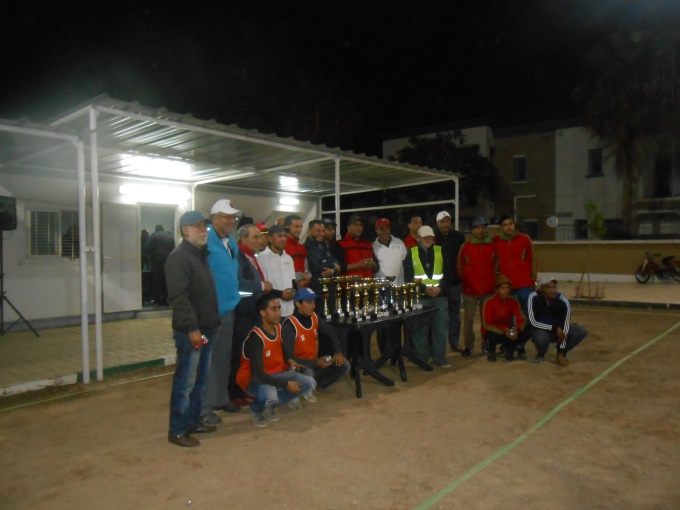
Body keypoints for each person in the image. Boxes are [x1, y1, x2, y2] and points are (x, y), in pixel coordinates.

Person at [165, 211, 220, 447]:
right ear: (184, 230)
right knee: (186, 381)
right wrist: (191, 328)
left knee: (199, 379)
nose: (203, 230)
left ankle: (193, 420)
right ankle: (177, 430)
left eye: (204, 226)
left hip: (206, 329)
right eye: (197, 226)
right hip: (193, 332)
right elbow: (179, 298)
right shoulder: (179, 258)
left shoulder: (200, 255)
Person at [236, 294, 316, 427]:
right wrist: (285, 385)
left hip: (275, 374)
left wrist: (289, 359)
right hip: (253, 380)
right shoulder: (256, 338)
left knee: (309, 383)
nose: (278, 313)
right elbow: (257, 374)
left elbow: (281, 347)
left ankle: (270, 405)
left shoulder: (278, 327)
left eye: (279, 308)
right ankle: (256, 409)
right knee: (271, 395)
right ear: (262, 313)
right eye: (273, 309)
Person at [199, 199, 243, 427]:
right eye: (225, 216)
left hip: (228, 310)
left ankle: (220, 399)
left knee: (222, 359)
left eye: (232, 217)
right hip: (210, 313)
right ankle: (203, 409)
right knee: (205, 363)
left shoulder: (229, 243)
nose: (230, 221)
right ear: (214, 217)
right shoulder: (204, 241)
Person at [281, 288, 350, 407]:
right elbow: (290, 358)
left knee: (344, 365)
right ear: (298, 303)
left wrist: (338, 352)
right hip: (298, 367)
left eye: (313, 302)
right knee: (307, 371)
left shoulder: (314, 317)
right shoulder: (290, 325)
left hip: (314, 364)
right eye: (309, 302)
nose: (313, 306)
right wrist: (316, 363)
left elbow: (331, 332)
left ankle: (315, 385)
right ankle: (300, 388)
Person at [232, 224, 274, 406]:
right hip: (242, 313)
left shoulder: (250, 256)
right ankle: (233, 393)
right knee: (238, 354)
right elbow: (239, 285)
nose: (260, 240)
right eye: (256, 237)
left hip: (251, 312)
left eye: (260, 237)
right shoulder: (238, 257)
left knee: (248, 354)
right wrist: (262, 286)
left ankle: (244, 388)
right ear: (243, 239)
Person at [403, 225, 451, 367]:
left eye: (430, 237)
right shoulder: (411, 253)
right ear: (418, 238)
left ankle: (440, 359)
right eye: (425, 238)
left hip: (439, 298)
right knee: (420, 331)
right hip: (421, 297)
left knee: (440, 330)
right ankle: (422, 359)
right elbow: (408, 277)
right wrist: (425, 289)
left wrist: (439, 288)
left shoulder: (441, 251)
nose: (427, 240)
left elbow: (449, 274)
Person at [457, 216, 496, 357]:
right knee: (468, 319)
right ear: (472, 230)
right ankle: (469, 346)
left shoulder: (491, 245)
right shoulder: (466, 247)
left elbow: (495, 266)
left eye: (482, 227)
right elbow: (460, 267)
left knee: (487, 319)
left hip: (488, 290)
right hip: (470, 291)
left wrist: (492, 282)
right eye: (477, 227)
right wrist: (468, 281)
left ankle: (486, 344)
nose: (480, 230)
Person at [527, 276, 588, 366]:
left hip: (559, 329)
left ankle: (561, 354)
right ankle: (541, 354)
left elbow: (565, 326)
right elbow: (533, 322)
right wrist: (554, 328)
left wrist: (561, 352)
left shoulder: (563, 301)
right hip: (541, 329)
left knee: (581, 331)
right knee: (541, 339)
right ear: (542, 288)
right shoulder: (533, 297)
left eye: (554, 287)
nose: (552, 290)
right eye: (549, 287)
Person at [432, 210, 466, 353]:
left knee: (455, 315)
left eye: (448, 221)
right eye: (443, 221)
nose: (446, 224)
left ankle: (454, 341)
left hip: (454, 283)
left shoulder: (458, 237)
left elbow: (463, 258)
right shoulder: (432, 238)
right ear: (437, 223)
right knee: (439, 316)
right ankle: (438, 344)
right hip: (439, 284)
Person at [493, 215, 537, 316]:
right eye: (505, 225)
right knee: (508, 312)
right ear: (501, 228)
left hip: (524, 282)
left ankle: (527, 331)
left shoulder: (525, 239)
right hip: (506, 283)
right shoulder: (496, 241)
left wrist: (533, 278)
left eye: (510, 224)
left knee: (526, 310)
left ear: (514, 225)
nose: (509, 227)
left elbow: (532, 259)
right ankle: (512, 331)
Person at [482, 275, 528, 362]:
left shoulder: (513, 301)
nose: (506, 291)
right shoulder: (489, 301)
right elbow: (487, 323)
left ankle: (510, 349)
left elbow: (522, 318)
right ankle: (491, 350)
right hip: (495, 331)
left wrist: (516, 329)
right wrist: (504, 330)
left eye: (507, 288)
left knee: (528, 329)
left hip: (509, 331)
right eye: (502, 288)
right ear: (496, 290)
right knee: (491, 334)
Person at [257, 224, 296, 318]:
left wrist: (293, 291)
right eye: (279, 236)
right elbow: (262, 284)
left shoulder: (288, 258)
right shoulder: (262, 258)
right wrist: (281, 294)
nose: (283, 239)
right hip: (272, 310)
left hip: (290, 309)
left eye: (284, 236)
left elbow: (293, 281)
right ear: (270, 239)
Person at [304, 219, 342, 312]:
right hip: (316, 290)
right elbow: (315, 267)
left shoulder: (324, 247)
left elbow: (336, 265)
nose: (321, 234)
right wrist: (330, 266)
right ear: (310, 231)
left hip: (330, 288)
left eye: (323, 231)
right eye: (318, 231)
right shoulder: (305, 248)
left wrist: (332, 270)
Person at [337, 214, 379, 278]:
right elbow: (338, 268)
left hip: (369, 285)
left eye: (360, 225)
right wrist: (358, 266)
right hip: (350, 285)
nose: (358, 228)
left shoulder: (368, 245)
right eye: (355, 225)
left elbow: (376, 268)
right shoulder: (340, 244)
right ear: (348, 227)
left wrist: (373, 264)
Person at [144, 224, 175, 305]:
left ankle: (159, 300)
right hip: (169, 260)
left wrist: (149, 257)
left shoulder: (154, 236)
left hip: (158, 261)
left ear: (156, 229)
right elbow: (174, 248)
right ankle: (166, 299)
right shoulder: (170, 236)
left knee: (157, 280)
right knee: (167, 280)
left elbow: (147, 249)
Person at [373, 218, 407, 285]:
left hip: (400, 285)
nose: (385, 231)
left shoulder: (399, 243)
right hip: (382, 287)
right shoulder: (374, 247)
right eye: (382, 229)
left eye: (387, 228)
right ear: (376, 230)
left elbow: (405, 262)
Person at [283, 214, 311, 288]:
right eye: (296, 227)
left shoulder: (302, 248)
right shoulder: (282, 247)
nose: (299, 230)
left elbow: (307, 270)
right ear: (287, 228)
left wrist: (307, 277)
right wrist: (301, 276)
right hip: (288, 289)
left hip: (302, 288)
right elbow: (282, 271)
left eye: (300, 227)